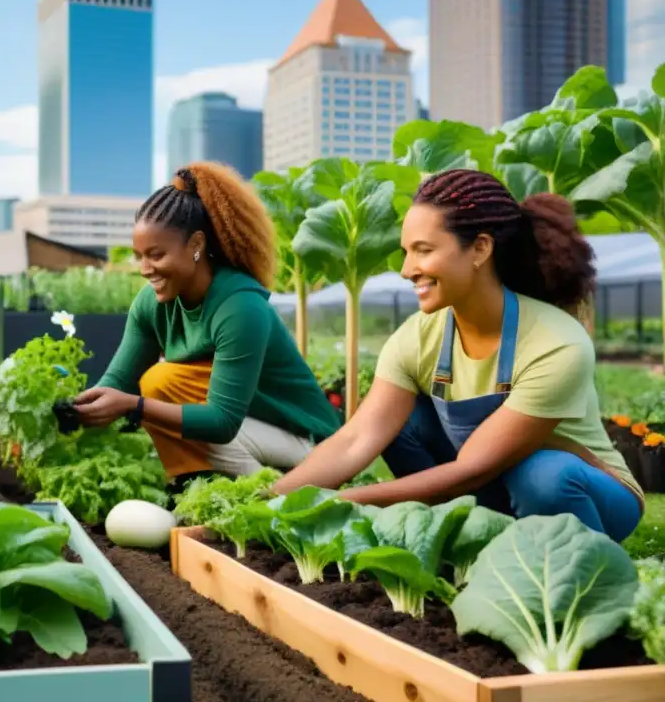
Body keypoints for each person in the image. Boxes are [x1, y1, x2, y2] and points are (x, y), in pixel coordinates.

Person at [273, 169, 642, 542]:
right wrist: (273, 502)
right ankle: (461, 542)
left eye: (424, 250)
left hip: (591, 493)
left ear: (480, 248)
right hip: (493, 486)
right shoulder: (418, 336)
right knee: (401, 421)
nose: (406, 270)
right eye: (406, 252)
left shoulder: (556, 342)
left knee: (543, 475)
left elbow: (472, 469)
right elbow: (356, 439)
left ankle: (576, 557)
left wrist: (344, 501)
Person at [73, 162, 342, 481]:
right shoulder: (152, 304)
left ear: (196, 245)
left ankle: (269, 498)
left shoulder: (240, 306)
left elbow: (222, 422)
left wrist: (133, 405)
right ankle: (207, 488)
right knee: (161, 390)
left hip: (303, 443)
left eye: (156, 255)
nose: (145, 269)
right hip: (244, 430)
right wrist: (79, 407)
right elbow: (118, 381)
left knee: (160, 385)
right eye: (139, 256)